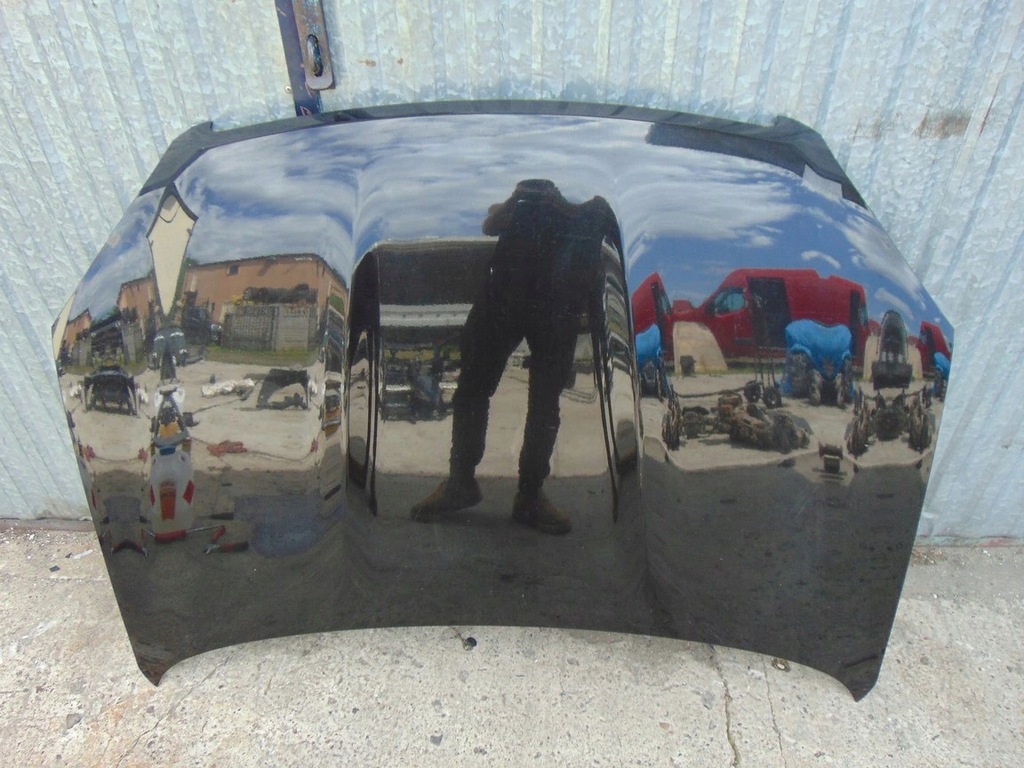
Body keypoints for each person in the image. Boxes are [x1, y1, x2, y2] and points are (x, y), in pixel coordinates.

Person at [410, 179, 621, 534]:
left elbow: (607, 241)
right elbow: (490, 225)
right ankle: (460, 481)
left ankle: (530, 494)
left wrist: (560, 203)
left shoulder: (595, 201)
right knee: (472, 386)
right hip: (507, 292)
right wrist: (516, 199)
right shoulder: (529, 197)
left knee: (545, 402)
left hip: (559, 303)